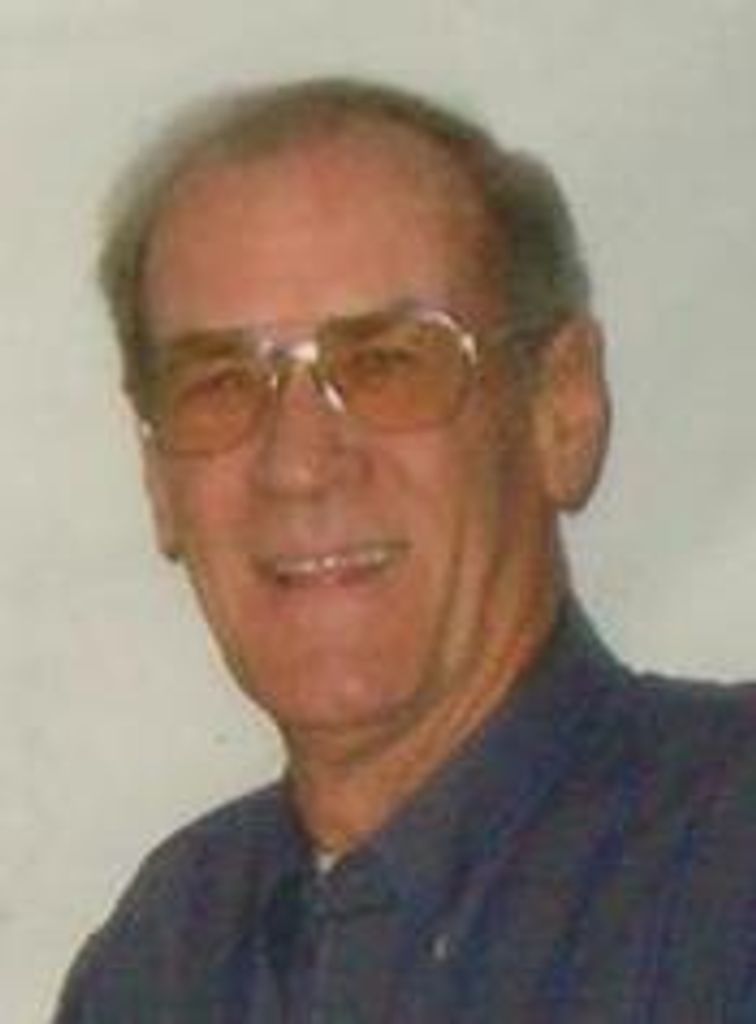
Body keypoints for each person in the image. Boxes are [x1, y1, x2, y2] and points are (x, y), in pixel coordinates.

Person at [53, 78, 756, 1023]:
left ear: (562, 409)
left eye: (386, 364)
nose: (298, 465)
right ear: (157, 480)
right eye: (219, 384)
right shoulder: (164, 959)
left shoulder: (727, 870)